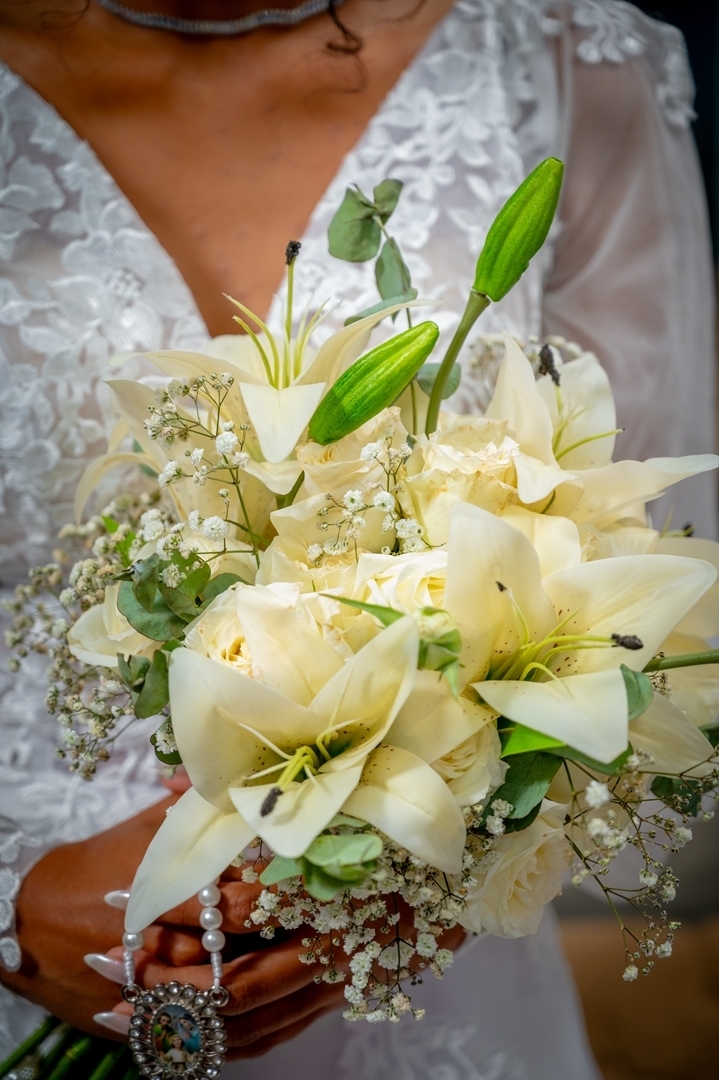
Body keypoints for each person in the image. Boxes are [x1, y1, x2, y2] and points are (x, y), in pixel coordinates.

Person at [0, 1, 715, 1078]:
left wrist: (416, 879)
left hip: (418, 988)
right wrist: (11, 909)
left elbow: (649, 587)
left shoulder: (570, 59)